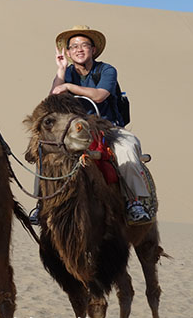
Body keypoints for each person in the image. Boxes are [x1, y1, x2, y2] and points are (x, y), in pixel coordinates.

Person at [36, 25, 153, 224]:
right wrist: (61, 71)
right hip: (75, 129)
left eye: (84, 45)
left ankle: (135, 202)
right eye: (73, 47)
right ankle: (42, 203)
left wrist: (69, 87)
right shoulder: (67, 73)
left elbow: (99, 96)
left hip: (108, 128)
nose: (79, 49)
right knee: (45, 149)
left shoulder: (106, 70)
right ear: (68, 52)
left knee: (127, 148)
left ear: (94, 50)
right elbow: (53, 100)